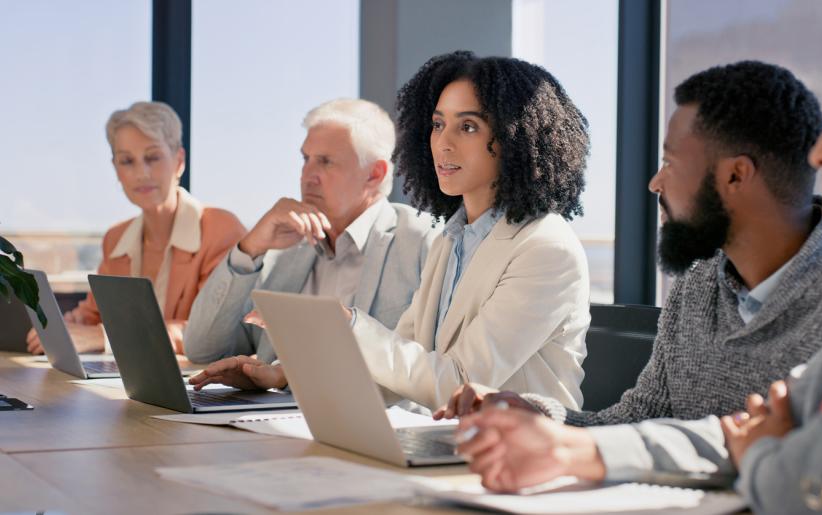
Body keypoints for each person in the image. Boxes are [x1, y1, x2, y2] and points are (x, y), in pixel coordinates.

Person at [458, 30, 822, 513]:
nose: (821, 154)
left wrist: (761, 452)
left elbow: (820, 480)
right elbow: (699, 431)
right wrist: (544, 419)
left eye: (669, 160)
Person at [437, 60, 822, 423]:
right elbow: (638, 421)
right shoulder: (699, 283)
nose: (654, 183)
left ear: (736, 175)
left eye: (670, 162)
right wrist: (530, 412)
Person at [191, 51, 592, 411]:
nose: (443, 144)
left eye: (467, 127)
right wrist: (282, 376)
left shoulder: (546, 248)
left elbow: (458, 383)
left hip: (519, 461)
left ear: (514, 139)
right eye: (437, 124)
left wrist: (344, 322)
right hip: (447, 448)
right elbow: (398, 372)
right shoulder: (452, 238)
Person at [183, 98, 436, 367]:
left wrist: (284, 376)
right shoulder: (284, 248)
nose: (307, 175)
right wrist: (250, 249)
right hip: (273, 408)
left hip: (372, 409)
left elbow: (427, 373)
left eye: (325, 162)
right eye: (306, 159)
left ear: (374, 174)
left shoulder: (424, 242)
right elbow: (202, 349)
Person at [26, 101, 245, 355]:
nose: (141, 173)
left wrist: (104, 337)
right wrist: (61, 329)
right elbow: (92, 315)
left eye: (152, 157)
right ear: (116, 170)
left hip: (193, 387)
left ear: (179, 161)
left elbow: (211, 334)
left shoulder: (220, 229)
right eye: (127, 161)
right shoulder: (116, 238)